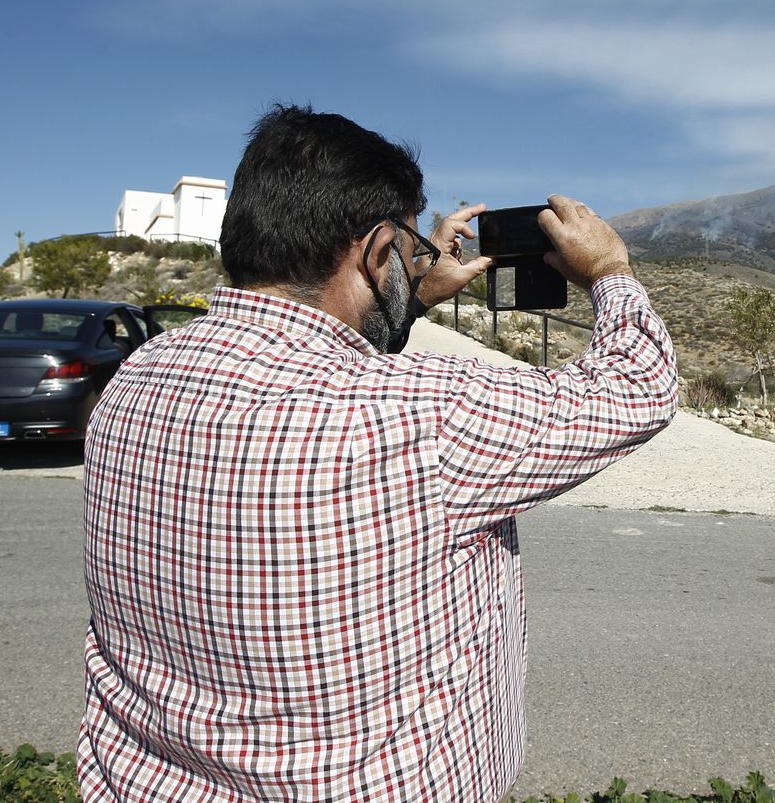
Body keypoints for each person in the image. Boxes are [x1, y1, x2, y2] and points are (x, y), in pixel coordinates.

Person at [77, 105, 677, 802]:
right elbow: (639, 386)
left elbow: (321, 355)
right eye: (407, 244)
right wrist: (609, 269)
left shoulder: (138, 379)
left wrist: (408, 295)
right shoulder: (424, 412)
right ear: (373, 249)